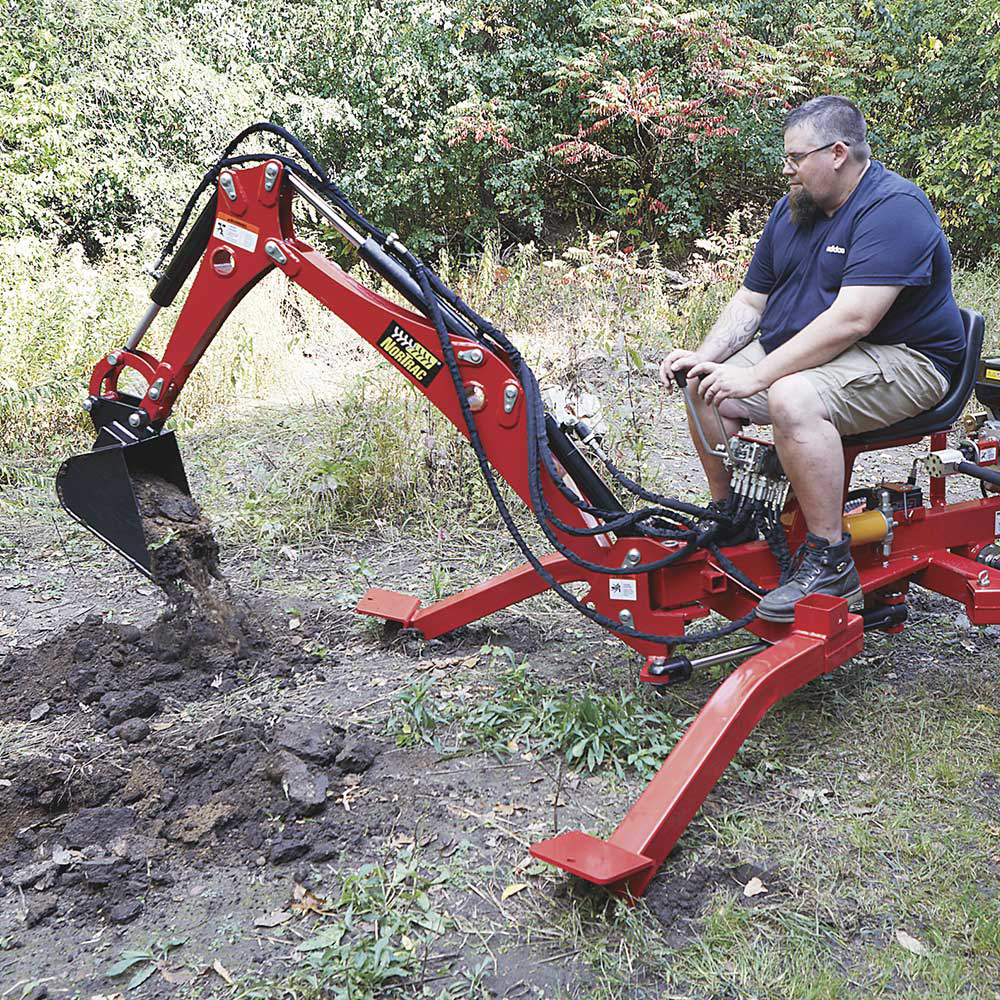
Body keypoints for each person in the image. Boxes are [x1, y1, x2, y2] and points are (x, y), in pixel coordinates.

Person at [660, 95, 966, 623]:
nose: (788, 169)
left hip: (908, 358)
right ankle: (731, 514)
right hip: (817, 348)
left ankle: (828, 558)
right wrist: (705, 357)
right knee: (702, 385)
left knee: (791, 396)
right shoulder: (793, 210)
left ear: (838, 153)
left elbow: (853, 321)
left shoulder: (894, 209)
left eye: (796, 157)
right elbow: (751, 300)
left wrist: (754, 376)